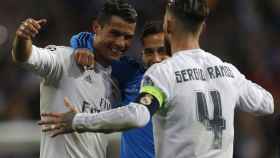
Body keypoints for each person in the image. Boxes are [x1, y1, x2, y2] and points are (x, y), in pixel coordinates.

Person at [38, 0, 274, 158]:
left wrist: (78, 121)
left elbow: (139, 115)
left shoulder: (163, 73)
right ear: (202, 27)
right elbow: (267, 103)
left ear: (168, 24)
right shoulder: (227, 71)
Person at [12, 0, 137, 157]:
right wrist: (23, 38)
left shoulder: (115, 85)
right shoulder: (64, 60)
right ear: (97, 28)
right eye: (115, 33)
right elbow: (25, 56)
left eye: (128, 37)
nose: (120, 43)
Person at [70, 21, 170, 158]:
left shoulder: (187, 82)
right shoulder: (131, 74)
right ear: (142, 54)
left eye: (162, 51)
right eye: (149, 52)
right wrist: (83, 47)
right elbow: (84, 38)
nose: (156, 59)